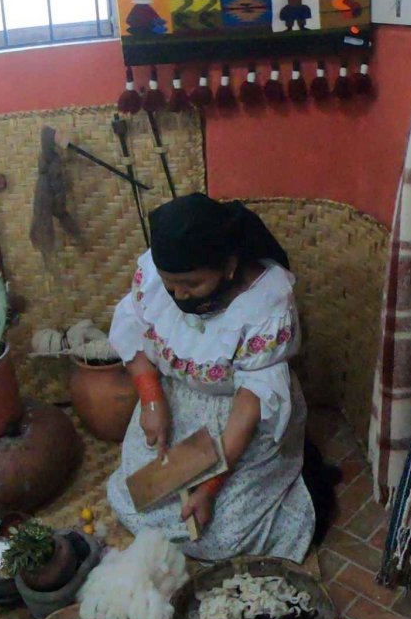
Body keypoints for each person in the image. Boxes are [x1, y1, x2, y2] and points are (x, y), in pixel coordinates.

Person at [107, 193, 314, 561]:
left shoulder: (267, 301)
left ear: (229, 266)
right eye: (171, 284)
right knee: (134, 496)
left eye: (191, 285)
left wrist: (211, 484)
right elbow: (134, 329)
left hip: (239, 416)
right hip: (178, 399)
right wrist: (151, 398)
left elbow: (252, 401)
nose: (177, 294)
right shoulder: (159, 275)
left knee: (223, 534)